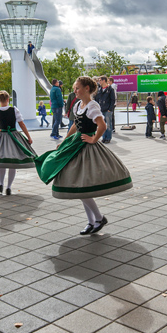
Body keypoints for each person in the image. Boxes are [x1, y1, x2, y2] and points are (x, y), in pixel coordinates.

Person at [35, 76, 132, 235]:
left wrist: (93, 139)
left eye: (77, 88)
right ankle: (93, 221)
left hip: (87, 148)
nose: (75, 91)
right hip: (76, 143)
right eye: (75, 88)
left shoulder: (93, 106)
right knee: (79, 186)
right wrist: (65, 141)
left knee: (82, 186)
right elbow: (75, 124)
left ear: (87, 88)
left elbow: (102, 125)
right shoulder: (78, 105)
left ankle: (97, 219)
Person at [0, 90, 37, 195]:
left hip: (1, 137)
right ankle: (8, 187)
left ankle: (1, 184)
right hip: (14, 137)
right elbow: (22, 124)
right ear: (8, 99)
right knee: (12, 163)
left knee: (2, 162)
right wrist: (28, 137)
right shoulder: (14, 110)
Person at [95, 76, 116, 143]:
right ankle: (104, 137)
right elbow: (96, 99)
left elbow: (113, 100)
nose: (99, 82)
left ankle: (108, 138)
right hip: (101, 109)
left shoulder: (110, 89)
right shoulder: (99, 89)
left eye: (100, 80)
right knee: (102, 125)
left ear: (104, 80)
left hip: (107, 110)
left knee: (108, 124)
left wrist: (110, 109)